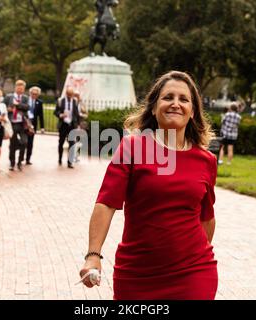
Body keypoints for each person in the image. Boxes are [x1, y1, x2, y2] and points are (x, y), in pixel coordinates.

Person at [79, 71, 218, 300]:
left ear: (193, 112)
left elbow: (206, 217)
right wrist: (93, 255)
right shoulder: (132, 148)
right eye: (167, 97)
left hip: (193, 273)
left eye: (183, 99)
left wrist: (186, 255)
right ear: (154, 108)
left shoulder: (206, 160)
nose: (175, 104)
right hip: (137, 274)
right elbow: (106, 203)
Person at [4, 80, 29, 171]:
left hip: (22, 124)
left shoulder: (25, 98)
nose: (20, 89)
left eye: (22, 88)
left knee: (24, 142)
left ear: (24, 89)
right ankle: (12, 163)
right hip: (12, 123)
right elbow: (2, 107)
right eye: (19, 88)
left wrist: (18, 105)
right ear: (15, 88)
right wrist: (8, 109)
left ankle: (20, 162)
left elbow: (27, 107)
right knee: (13, 144)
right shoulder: (8, 97)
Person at [54, 87, 79, 168]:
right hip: (63, 125)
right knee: (61, 142)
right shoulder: (60, 101)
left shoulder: (75, 101)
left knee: (72, 143)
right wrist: (60, 115)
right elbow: (55, 112)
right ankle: (60, 158)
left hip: (71, 125)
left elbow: (76, 114)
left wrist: (77, 124)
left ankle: (69, 162)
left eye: (71, 95)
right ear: (66, 94)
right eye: (68, 94)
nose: (70, 96)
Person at [25, 86, 45, 165]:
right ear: (30, 93)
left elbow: (41, 115)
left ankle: (28, 159)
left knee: (30, 142)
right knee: (24, 141)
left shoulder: (39, 102)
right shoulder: (25, 100)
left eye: (36, 94)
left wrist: (42, 127)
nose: (34, 95)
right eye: (32, 94)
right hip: (25, 122)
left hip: (33, 124)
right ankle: (21, 156)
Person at [73, 91, 88, 163]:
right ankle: (74, 156)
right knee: (74, 141)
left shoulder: (81, 104)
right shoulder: (71, 103)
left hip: (80, 125)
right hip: (74, 125)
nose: (76, 97)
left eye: (77, 96)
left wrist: (81, 114)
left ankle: (76, 155)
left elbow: (86, 113)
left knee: (79, 142)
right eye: (75, 96)